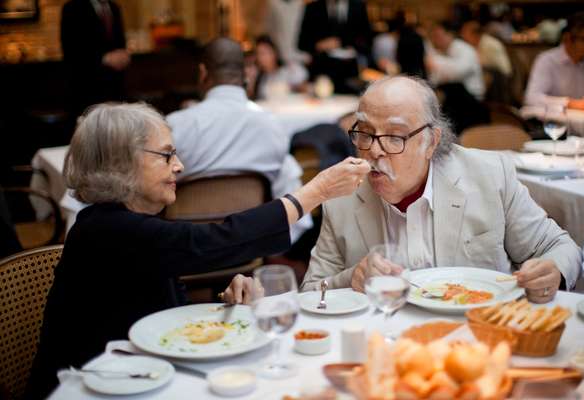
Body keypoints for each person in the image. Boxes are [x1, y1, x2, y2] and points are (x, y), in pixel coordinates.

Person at [25, 102, 369, 398]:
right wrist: (315, 192)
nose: (179, 166)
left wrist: (225, 303)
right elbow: (209, 243)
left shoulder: (128, 223)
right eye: (166, 155)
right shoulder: (105, 229)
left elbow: (162, 309)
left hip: (141, 377)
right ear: (120, 163)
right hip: (89, 388)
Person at [300, 76, 582, 304]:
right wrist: (351, 278)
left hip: (479, 332)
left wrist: (552, 271)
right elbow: (311, 291)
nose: (373, 150)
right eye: (364, 132)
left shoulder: (489, 176)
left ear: (431, 142)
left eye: (394, 136)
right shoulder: (344, 194)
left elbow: (559, 247)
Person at [167, 38, 311, 245]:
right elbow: (291, 199)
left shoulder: (174, 127)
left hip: (185, 250)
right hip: (250, 249)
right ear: (246, 74)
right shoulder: (272, 126)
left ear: (203, 72)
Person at [61, 0, 130, 117]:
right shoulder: (72, 8)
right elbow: (70, 49)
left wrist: (124, 54)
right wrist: (103, 58)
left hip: (115, 87)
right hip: (87, 87)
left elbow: (120, 42)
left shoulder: (114, 7)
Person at [524, 12, 584, 111]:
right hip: (551, 122)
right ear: (567, 38)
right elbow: (531, 98)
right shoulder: (547, 60)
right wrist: (568, 103)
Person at [298, 0, 373, 93]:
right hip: (321, 72)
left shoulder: (358, 6)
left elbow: (367, 41)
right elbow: (301, 43)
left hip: (349, 73)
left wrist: (344, 43)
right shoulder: (313, 8)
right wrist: (319, 45)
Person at [248, 35, 308, 100]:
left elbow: (305, 88)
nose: (261, 58)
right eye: (258, 53)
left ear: (275, 52)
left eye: (264, 53)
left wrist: (291, 88)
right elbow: (252, 100)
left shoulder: (288, 70)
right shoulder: (260, 77)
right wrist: (252, 81)